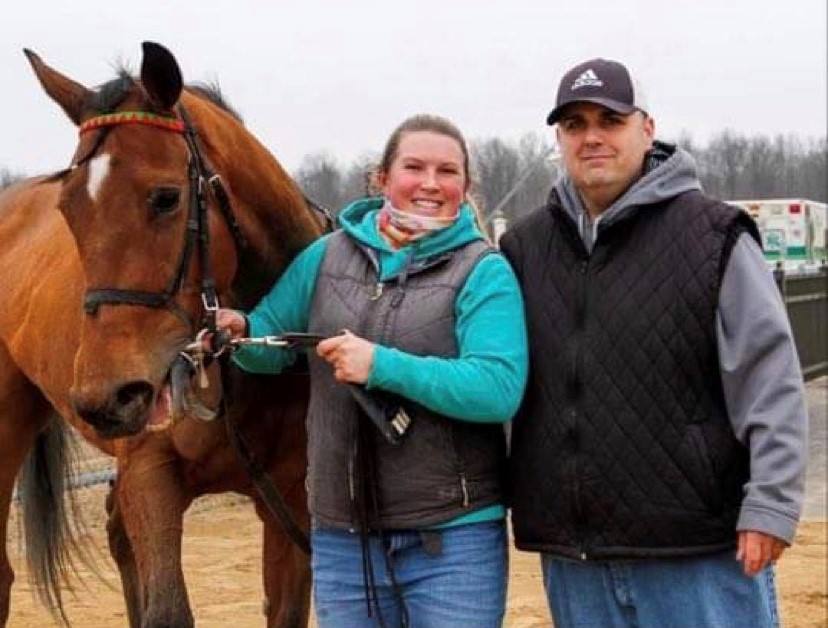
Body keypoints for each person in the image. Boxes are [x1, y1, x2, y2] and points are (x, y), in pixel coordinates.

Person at [499, 58, 808, 628]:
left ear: (646, 128)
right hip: (576, 558)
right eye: (574, 124)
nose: (591, 137)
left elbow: (771, 381)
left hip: (698, 552)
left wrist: (771, 503)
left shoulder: (715, 236)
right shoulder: (523, 248)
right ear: (559, 139)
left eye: (609, 121)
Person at [216, 114, 527, 628]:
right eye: (415, 167)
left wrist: (381, 366)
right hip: (342, 539)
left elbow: (497, 389)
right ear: (381, 178)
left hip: (450, 542)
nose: (431, 183)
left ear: (465, 186)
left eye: (447, 171)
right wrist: (240, 332)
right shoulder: (326, 256)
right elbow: (269, 338)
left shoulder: (483, 271)